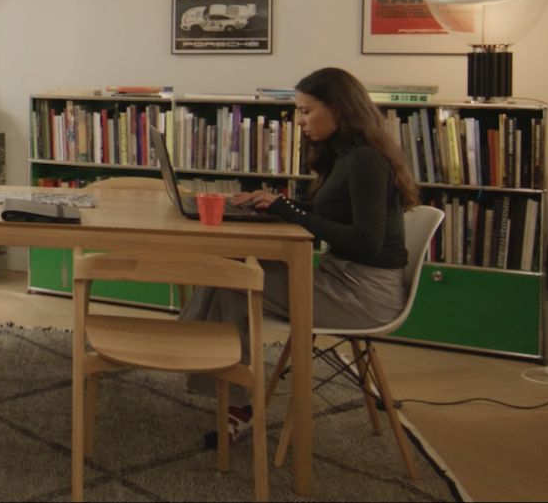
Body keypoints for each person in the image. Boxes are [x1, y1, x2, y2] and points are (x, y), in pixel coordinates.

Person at [178, 66, 417, 443]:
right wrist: (279, 203)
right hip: (343, 277)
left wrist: (288, 211)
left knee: (229, 279)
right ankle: (207, 368)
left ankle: (199, 365)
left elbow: (365, 242)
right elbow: (336, 212)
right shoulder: (345, 155)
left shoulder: (364, 161)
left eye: (307, 111)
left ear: (339, 108)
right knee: (229, 274)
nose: (300, 120)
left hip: (365, 295)